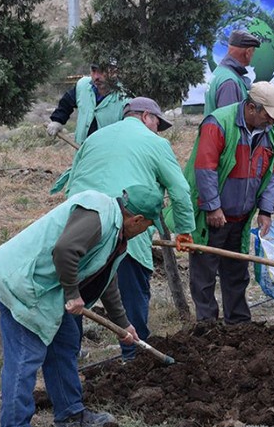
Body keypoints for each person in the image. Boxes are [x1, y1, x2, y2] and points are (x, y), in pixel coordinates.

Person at [0, 184, 164, 427]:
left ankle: (70, 413)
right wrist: (73, 294)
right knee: (25, 355)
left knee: (64, 344)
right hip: (22, 282)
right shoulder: (98, 214)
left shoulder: (116, 231)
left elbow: (105, 279)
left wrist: (123, 324)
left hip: (48, 290)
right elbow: (65, 251)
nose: (146, 231)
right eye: (147, 225)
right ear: (136, 219)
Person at [51, 97, 196, 362]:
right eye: (157, 123)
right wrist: (184, 232)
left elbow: (72, 182)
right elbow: (180, 189)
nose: (157, 129)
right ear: (144, 117)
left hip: (80, 228)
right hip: (126, 227)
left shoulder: (94, 139)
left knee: (76, 296)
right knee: (132, 295)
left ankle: (68, 361)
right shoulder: (156, 144)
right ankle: (135, 360)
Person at [184, 82, 274, 323]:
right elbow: (205, 168)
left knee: (237, 271)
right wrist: (212, 207)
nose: (272, 121)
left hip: (241, 216)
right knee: (204, 272)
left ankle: (238, 323)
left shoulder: (270, 133)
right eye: (268, 115)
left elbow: (272, 173)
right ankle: (207, 325)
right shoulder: (218, 123)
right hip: (213, 216)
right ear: (252, 108)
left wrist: (266, 209)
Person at [46, 60, 130, 144]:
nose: (96, 77)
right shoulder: (83, 85)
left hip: (107, 154)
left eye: (101, 71)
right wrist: (57, 120)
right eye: (93, 71)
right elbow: (66, 103)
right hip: (81, 151)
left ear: (114, 72)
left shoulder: (126, 98)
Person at [203, 29, 261, 116]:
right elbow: (229, 124)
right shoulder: (230, 82)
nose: (253, 56)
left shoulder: (220, 72)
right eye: (253, 52)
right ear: (248, 52)